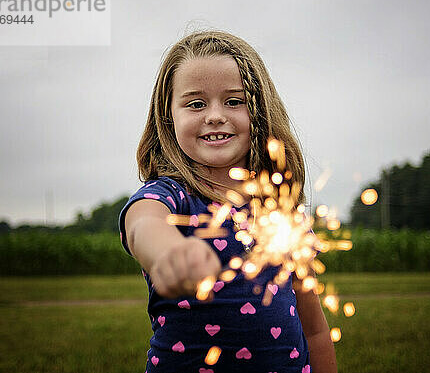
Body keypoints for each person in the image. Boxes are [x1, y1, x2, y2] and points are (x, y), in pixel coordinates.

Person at [118, 30, 337, 373]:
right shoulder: (170, 196)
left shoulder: (279, 209)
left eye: (234, 101)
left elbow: (315, 329)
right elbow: (142, 224)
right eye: (195, 103)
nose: (215, 115)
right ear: (168, 116)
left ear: (259, 111)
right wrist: (168, 252)